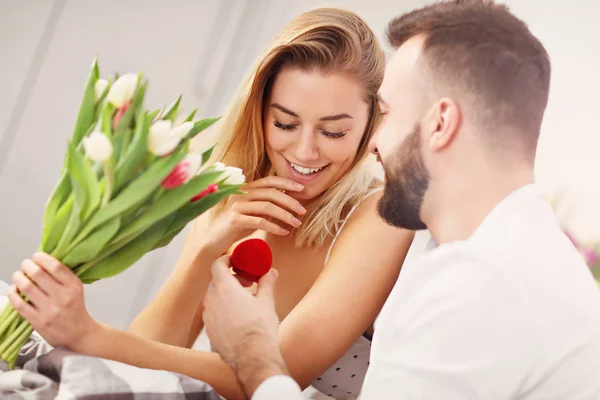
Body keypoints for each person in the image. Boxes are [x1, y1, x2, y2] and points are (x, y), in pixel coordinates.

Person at [7, 6, 416, 400]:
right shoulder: (237, 196)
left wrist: (86, 333)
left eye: (333, 132)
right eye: (285, 124)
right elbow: (142, 363)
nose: (305, 151)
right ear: (258, 112)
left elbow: (268, 382)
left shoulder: (379, 218)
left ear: (370, 126)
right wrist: (208, 247)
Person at [200, 0, 600, 399]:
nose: (372, 143)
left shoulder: (488, 282)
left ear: (440, 124)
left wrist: (252, 354)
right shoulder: (455, 253)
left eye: (386, 114)